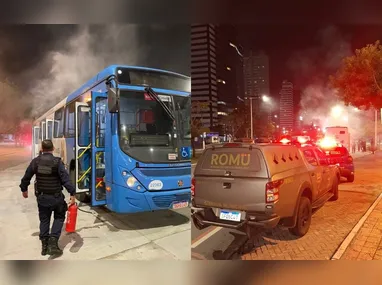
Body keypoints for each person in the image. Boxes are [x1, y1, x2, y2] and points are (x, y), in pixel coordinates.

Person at [19, 139, 76, 256]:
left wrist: (24, 189)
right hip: (56, 198)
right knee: (59, 217)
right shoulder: (57, 162)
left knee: (44, 219)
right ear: (53, 149)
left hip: (42, 198)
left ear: (41, 149)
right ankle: (53, 243)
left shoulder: (35, 162)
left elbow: (26, 176)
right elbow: (66, 179)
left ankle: (44, 246)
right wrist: (72, 193)